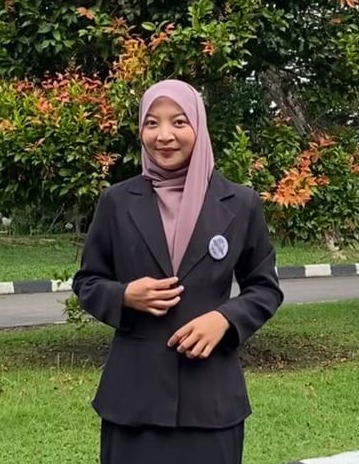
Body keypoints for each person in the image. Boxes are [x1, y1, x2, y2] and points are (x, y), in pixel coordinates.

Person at [72, 79, 284, 464]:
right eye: (152, 123)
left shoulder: (240, 202)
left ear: (198, 128)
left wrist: (225, 319)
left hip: (211, 400)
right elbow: (87, 281)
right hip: (133, 402)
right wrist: (124, 296)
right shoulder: (117, 202)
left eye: (179, 122)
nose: (164, 135)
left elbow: (264, 287)